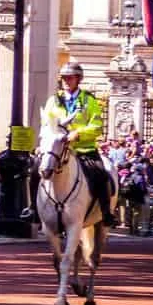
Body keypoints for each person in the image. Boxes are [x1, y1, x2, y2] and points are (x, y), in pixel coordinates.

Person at [39, 59, 114, 226]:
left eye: (70, 78)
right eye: (64, 78)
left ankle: (106, 212)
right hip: (57, 149)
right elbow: (46, 124)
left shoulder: (89, 101)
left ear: (78, 79)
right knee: (34, 171)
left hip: (83, 150)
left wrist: (78, 134)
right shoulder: (53, 100)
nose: (66, 81)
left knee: (101, 175)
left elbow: (97, 126)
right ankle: (33, 209)